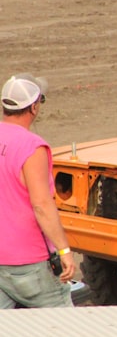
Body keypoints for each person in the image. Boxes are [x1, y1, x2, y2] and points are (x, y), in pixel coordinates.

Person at [0, 74, 76, 308]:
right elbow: (42, 205)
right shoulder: (32, 147)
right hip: (29, 263)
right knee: (64, 333)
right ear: (34, 107)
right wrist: (64, 250)